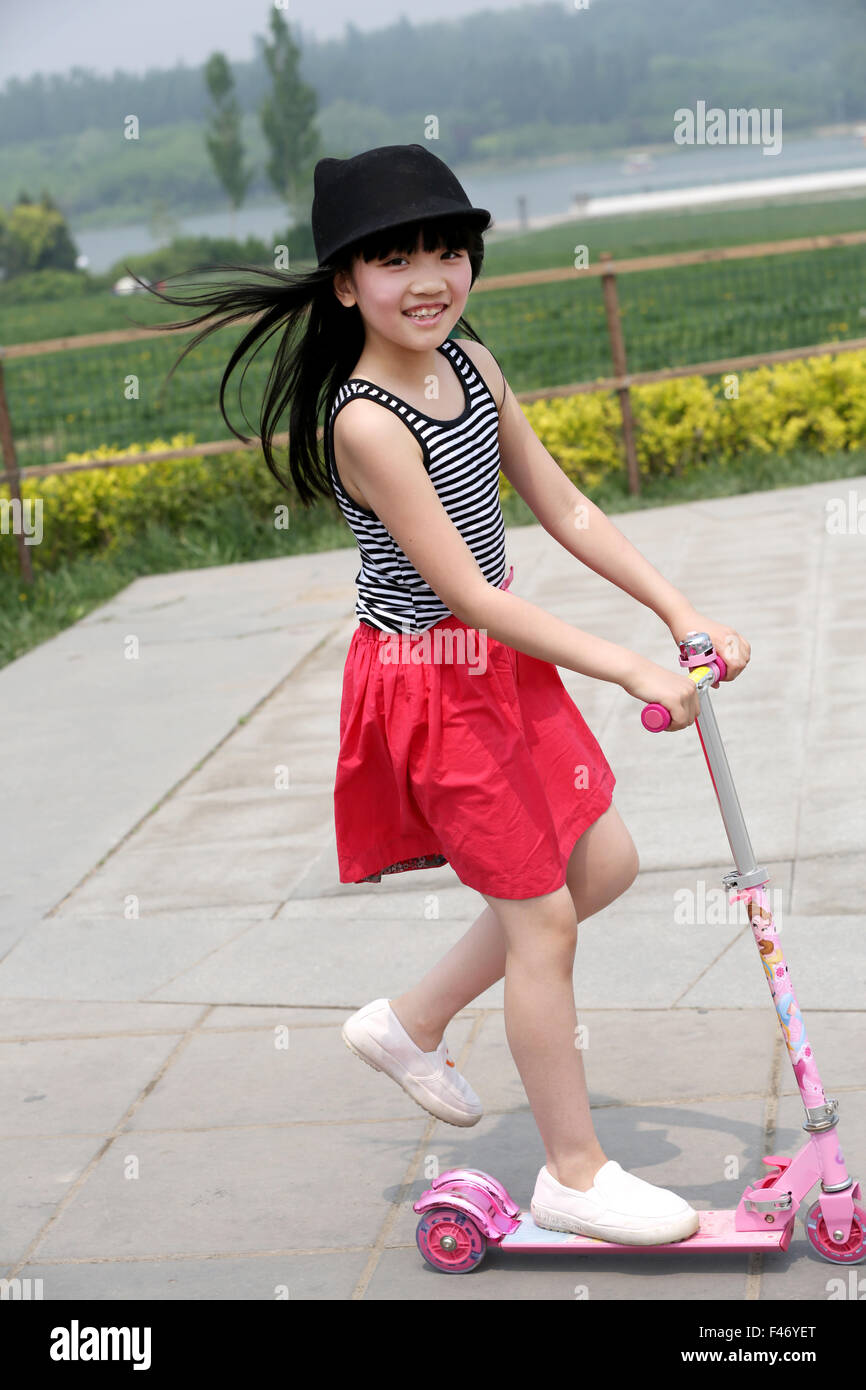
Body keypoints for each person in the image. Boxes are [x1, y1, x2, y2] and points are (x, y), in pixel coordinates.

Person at [139, 143, 751, 1247]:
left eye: (443, 250)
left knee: (599, 862)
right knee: (543, 921)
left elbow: (561, 506)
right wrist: (622, 663)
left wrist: (678, 611)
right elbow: (464, 594)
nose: (425, 277)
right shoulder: (365, 420)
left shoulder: (471, 363)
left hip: (500, 662)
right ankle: (572, 1172)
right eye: (391, 258)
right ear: (342, 282)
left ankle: (409, 1021)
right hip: (432, 682)